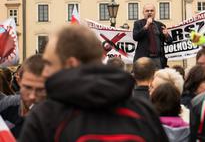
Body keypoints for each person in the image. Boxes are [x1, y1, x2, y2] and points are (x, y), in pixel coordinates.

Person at [19, 25, 168, 142]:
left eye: (49, 64)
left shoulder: (46, 116)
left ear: (71, 64)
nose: (44, 72)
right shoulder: (142, 111)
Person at [0, 54, 46, 138]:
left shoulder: (60, 116)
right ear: (18, 80)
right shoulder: (5, 106)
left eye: (40, 89)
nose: (32, 96)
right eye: (28, 87)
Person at [133, 4, 173, 68]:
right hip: (144, 58)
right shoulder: (138, 23)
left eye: (152, 10)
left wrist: (166, 35)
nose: (149, 12)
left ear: (155, 12)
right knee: (145, 77)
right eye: (147, 11)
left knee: (158, 77)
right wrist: (146, 26)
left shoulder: (160, 25)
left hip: (158, 58)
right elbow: (135, 37)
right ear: (143, 12)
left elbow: (169, 42)